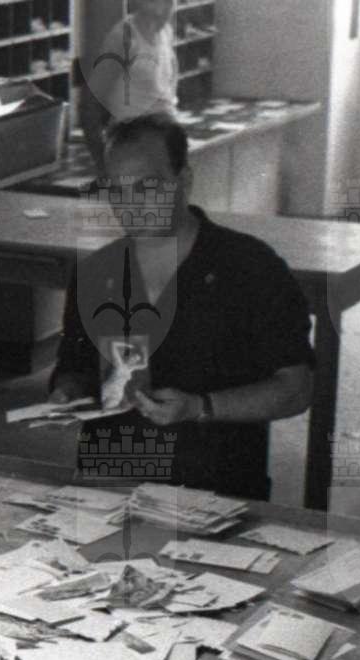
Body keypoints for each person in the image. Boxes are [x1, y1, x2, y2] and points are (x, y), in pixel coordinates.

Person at [48, 113, 314, 502]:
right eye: (117, 191)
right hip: (111, 482)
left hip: (215, 487)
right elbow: (74, 365)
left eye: (147, 187)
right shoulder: (96, 272)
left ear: (184, 181)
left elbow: (297, 388)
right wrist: (67, 391)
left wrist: (201, 407)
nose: (130, 205)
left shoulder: (249, 266)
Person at [80, 0, 180, 167]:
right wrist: (102, 163)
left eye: (168, 3)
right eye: (154, 2)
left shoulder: (165, 32)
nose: (160, 11)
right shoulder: (123, 38)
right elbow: (90, 104)